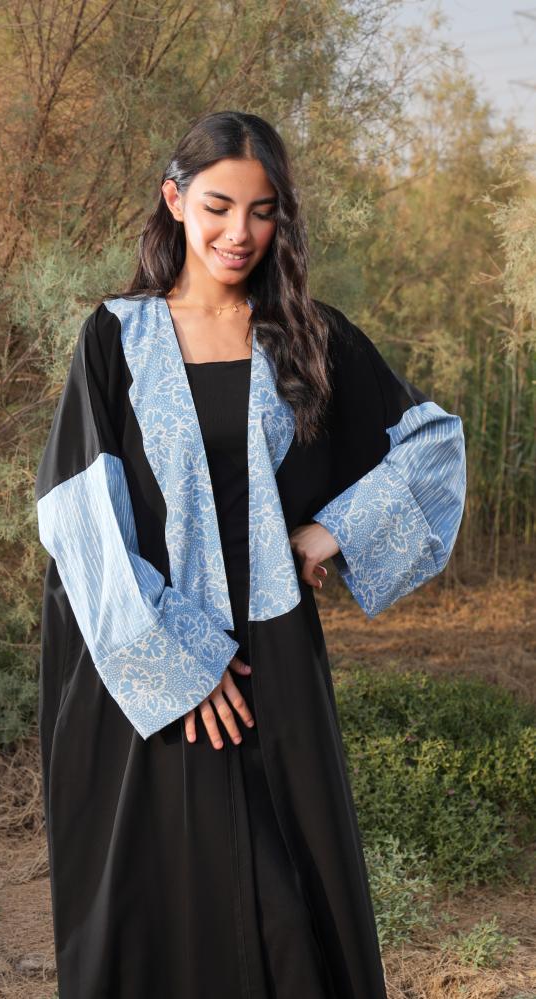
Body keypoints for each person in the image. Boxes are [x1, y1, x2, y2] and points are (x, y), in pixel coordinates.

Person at [34, 110, 466, 999]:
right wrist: (180, 669)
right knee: (158, 910)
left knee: (290, 910)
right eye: (219, 206)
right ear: (175, 199)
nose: (240, 233)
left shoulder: (309, 335)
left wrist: (331, 528)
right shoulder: (115, 339)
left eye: (263, 211)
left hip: (274, 662)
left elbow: (433, 446)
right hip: (146, 672)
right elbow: (81, 518)